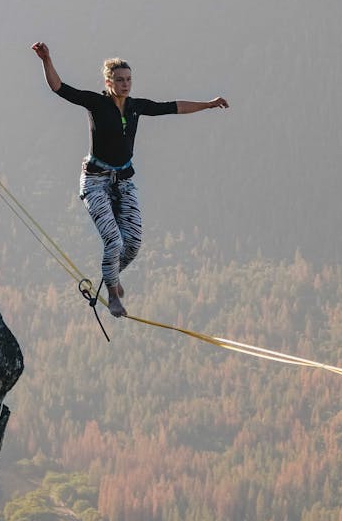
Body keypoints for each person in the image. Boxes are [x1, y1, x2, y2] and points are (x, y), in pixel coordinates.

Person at [32, 42, 228, 317]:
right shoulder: (97, 104)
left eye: (128, 80)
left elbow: (173, 107)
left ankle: (111, 275)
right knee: (114, 240)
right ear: (108, 82)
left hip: (123, 180)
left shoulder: (136, 107)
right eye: (120, 80)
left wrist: (208, 104)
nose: (126, 84)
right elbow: (60, 89)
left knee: (132, 244)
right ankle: (113, 294)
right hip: (96, 181)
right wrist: (46, 59)